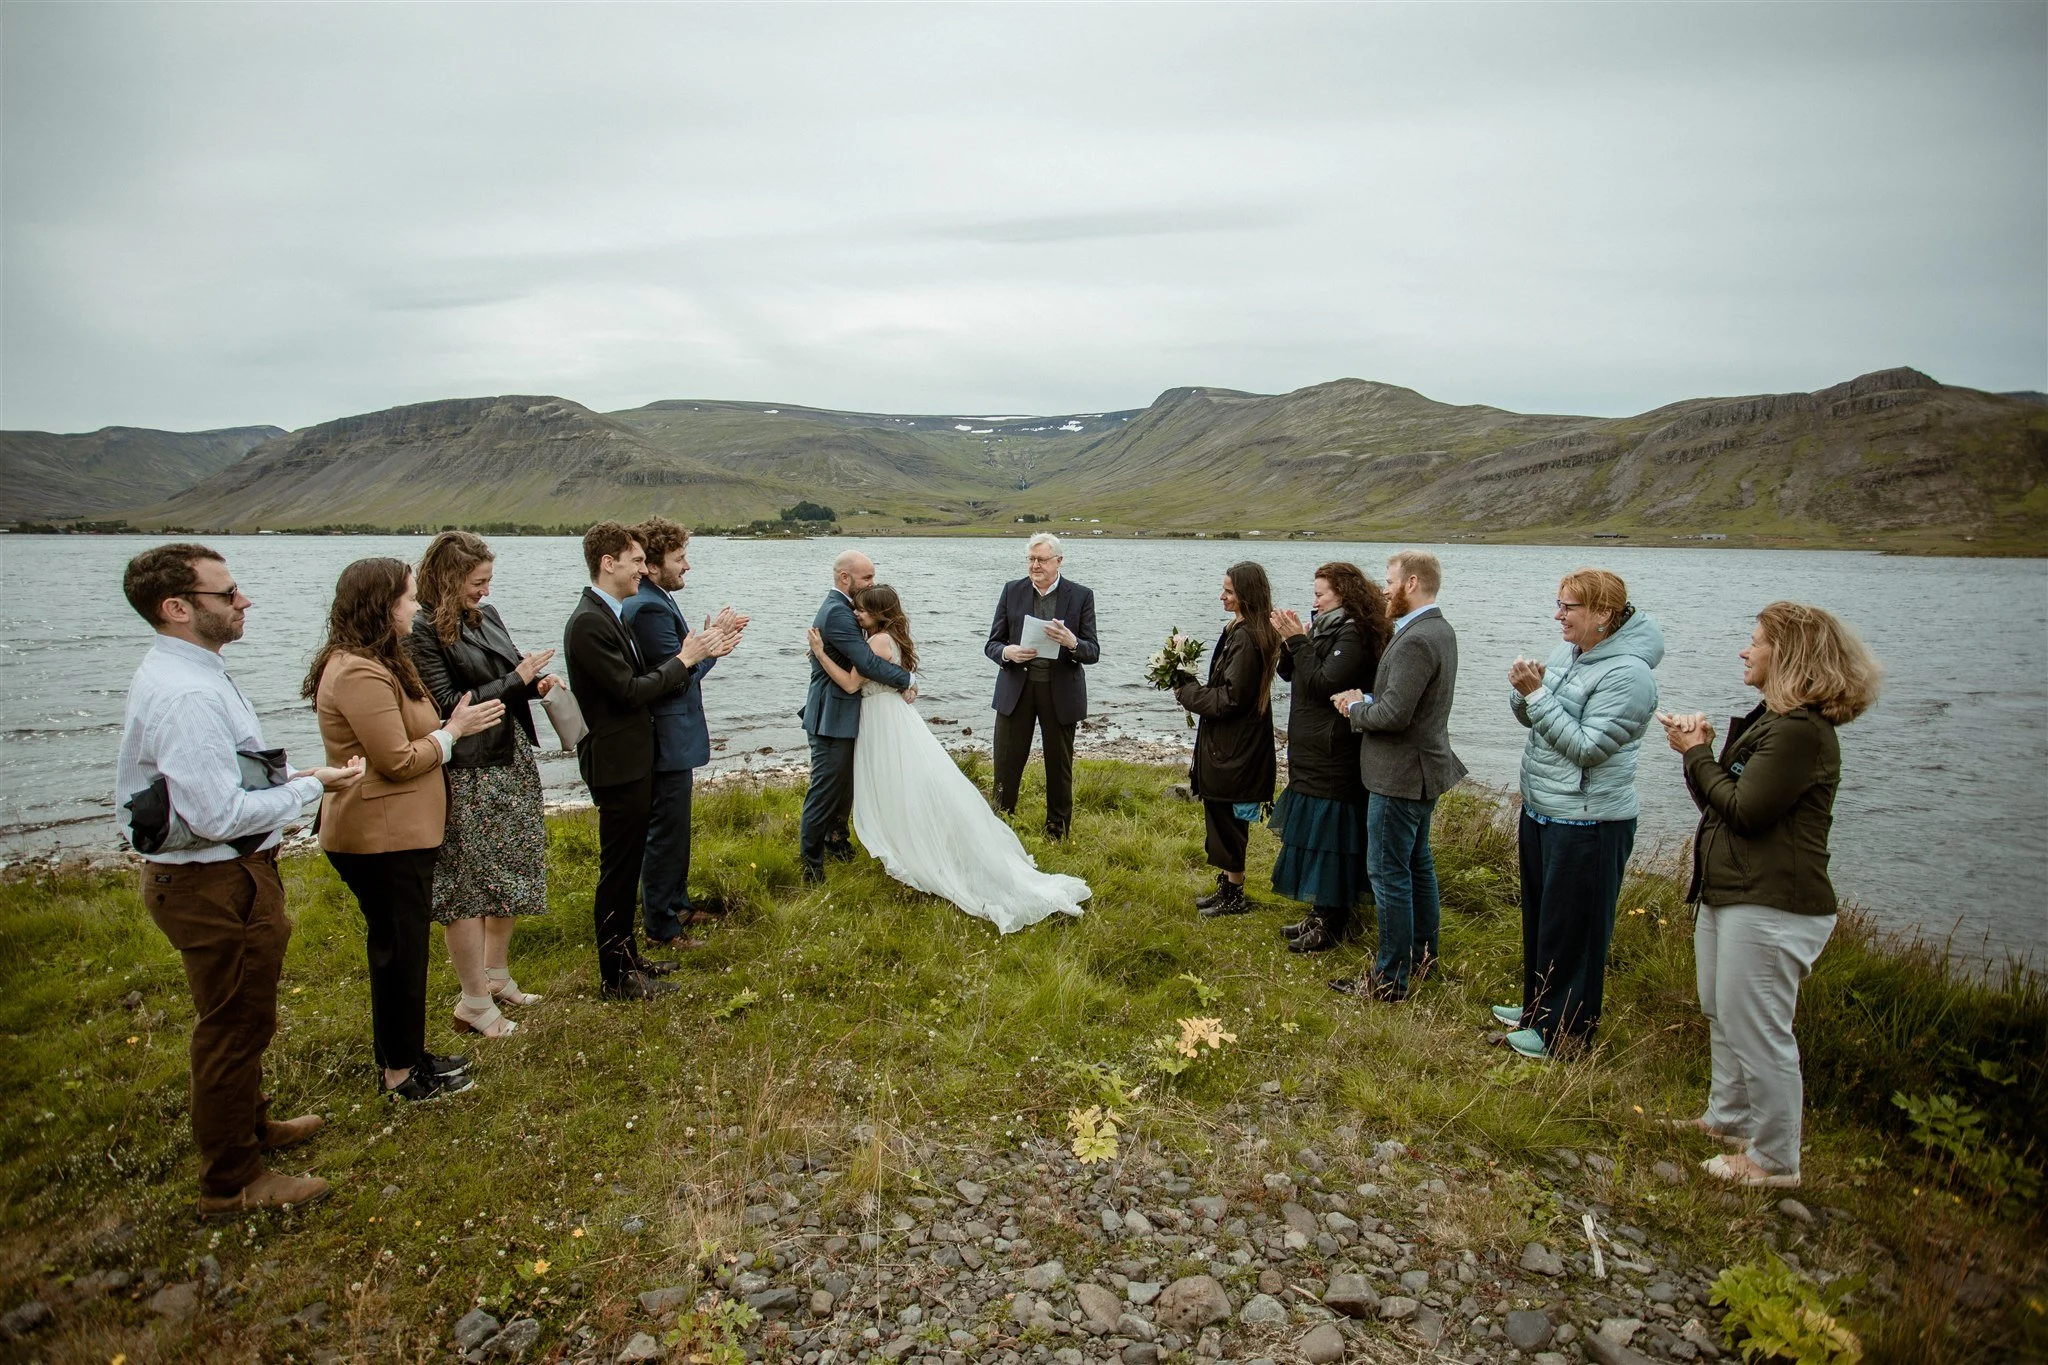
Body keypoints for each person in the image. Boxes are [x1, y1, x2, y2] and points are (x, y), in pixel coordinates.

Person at [116, 543, 364, 1215]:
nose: (243, 601)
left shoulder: (197, 671)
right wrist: (308, 791)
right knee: (231, 1024)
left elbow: (232, 774)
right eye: (226, 594)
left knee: (247, 1014)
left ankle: (251, 1126)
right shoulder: (186, 693)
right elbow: (218, 811)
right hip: (212, 880)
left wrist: (301, 776)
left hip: (224, 873)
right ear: (176, 608)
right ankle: (232, 1178)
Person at [1658, 601, 1880, 1188]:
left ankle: (1775, 1159)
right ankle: (1727, 1119)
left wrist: (1697, 753)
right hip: (1734, 892)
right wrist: (1698, 754)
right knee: (1722, 1009)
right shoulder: (1774, 722)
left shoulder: (1801, 732)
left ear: (1790, 655)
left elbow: (1747, 812)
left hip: (1775, 903)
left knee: (1758, 1026)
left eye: (1754, 641)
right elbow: (1722, 805)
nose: (1744, 650)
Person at [307, 557, 505, 1101]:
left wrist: (446, 728)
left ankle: (408, 1054)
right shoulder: (357, 671)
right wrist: (452, 734)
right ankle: (399, 1073)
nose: (416, 607)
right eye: (408, 598)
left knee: (406, 949)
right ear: (381, 604)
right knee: (398, 951)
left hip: (403, 831)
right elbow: (395, 759)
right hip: (380, 834)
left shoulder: (383, 661)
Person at [808, 584, 1089, 931]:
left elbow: (851, 685)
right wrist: (906, 683)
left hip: (884, 724)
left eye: (862, 611)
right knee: (903, 785)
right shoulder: (888, 639)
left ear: (879, 614)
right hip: (888, 719)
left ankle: (915, 848)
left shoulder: (877, 642)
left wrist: (820, 654)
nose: (856, 614)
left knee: (897, 786)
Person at [1493, 569, 1663, 1058]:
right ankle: (1537, 1010)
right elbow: (1533, 716)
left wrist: (1538, 694)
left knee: (1578, 929)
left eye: (1568, 607)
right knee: (1546, 918)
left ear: (1603, 615)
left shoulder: (1630, 675)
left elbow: (1588, 749)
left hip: (1591, 819)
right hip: (1545, 807)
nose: (1558, 615)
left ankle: (1566, 1035)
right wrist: (1524, 691)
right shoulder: (1570, 651)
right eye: (1559, 604)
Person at [564, 522, 735, 1000]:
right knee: (618, 871)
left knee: (628, 864)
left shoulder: (611, 614)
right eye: (637, 561)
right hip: (616, 761)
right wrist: (688, 657)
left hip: (632, 759)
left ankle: (629, 958)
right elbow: (629, 691)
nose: (644, 568)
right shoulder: (588, 622)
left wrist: (698, 650)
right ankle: (616, 976)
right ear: (608, 563)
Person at [407, 531, 557, 1040]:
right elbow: (449, 700)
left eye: (489, 581)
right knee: (469, 877)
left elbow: (508, 677)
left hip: (509, 754)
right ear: (449, 579)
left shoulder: (485, 617)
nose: (486, 592)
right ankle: (472, 997)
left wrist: (534, 686)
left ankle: (497, 975)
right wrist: (517, 679)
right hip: (467, 767)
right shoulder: (421, 630)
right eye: (478, 582)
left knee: (512, 864)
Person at [1330, 550, 1467, 1002]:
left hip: (1400, 774)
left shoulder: (1416, 639)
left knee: (1389, 873)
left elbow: (1394, 715)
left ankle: (1389, 979)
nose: (1383, 590)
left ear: (1411, 583)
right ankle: (1423, 958)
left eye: (1388, 581)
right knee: (1416, 866)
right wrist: (1368, 696)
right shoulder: (1437, 629)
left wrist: (1354, 707)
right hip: (1421, 769)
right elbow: (1405, 700)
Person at [624, 516, 748, 943]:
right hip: (666, 738)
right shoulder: (649, 607)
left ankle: (677, 904)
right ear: (653, 566)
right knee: (665, 831)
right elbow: (674, 679)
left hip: (669, 737)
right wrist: (715, 648)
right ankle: (661, 923)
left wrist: (709, 641)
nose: (687, 567)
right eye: (679, 559)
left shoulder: (653, 598)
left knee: (674, 828)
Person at [1268, 562, 1389, 953]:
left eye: (1321, 594)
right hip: (1311, 746)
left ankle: (1334, 921)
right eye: (1314, 592)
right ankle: (1319, 912)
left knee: (1331, 836)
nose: (1314, 599)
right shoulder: (1322, 627)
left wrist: (1300, 641)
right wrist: (1290, 640)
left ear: (1344, 594)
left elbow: (1324, 683)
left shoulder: (1353, 633)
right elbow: (1291, 674)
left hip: (1335, 750)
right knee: (1314, 833)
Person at [799, 550, 915, 883]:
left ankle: (837, 843)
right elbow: (865, 662)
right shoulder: (837, 612)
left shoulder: (845, 610)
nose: (872, 584)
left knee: (843, 788)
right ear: (844, 578)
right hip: (831, 715)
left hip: (848, 713)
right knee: (824, 791)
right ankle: (811, 865)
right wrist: (906, 679)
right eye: (866, 578)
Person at [1173, 562, 1281, 918]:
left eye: (1229, 592)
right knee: (1221, 815)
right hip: (1231, 745)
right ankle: (1228, 885)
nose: (1222, 596)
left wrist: (1188, 691)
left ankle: (1234, 894)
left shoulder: (1248, 638)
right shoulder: (1243, 630)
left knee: (1228, 819)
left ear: (1247, 596)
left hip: (1235, 747)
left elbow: (1231, 698)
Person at [985, 533, 1100, 840]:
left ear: (1058, 561)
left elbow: (1093, 651)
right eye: (1031, 560)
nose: (1035, 566)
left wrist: (1072, 642)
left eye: (1041, 560)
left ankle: (1057, 831)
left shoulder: (1081, 595)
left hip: (1059, 691)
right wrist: (1007, 652)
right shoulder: (1012, 590)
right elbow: (992, 644)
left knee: (1058, 766)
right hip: (1016, 690)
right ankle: (1001, 824)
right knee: (1006, 762)